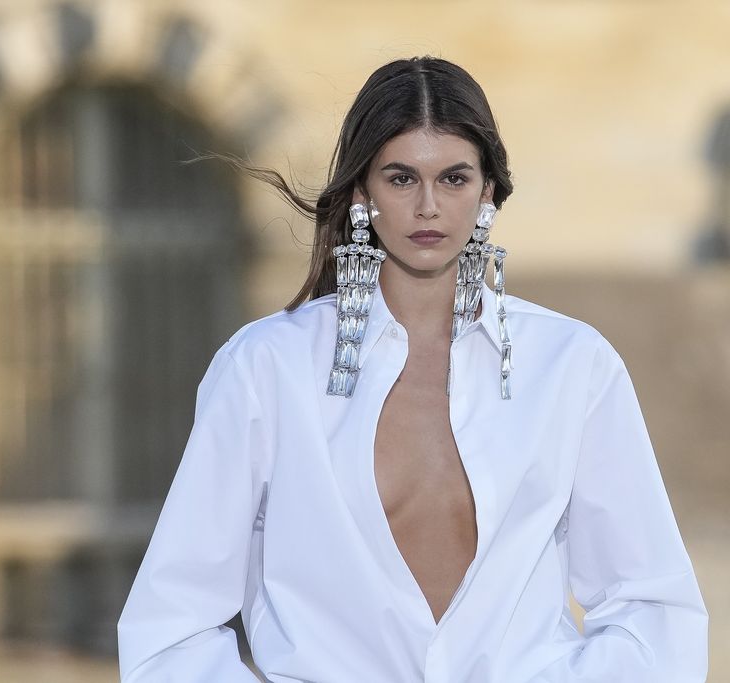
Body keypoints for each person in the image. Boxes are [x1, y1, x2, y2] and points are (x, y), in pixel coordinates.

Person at [116, 56, 709, 682]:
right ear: (360, 192)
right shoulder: (265, 370)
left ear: (487, 192)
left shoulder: (573, 366)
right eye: (402, 179)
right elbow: (171, 631)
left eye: (453, 179)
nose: (429, 206)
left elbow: (653, 609)